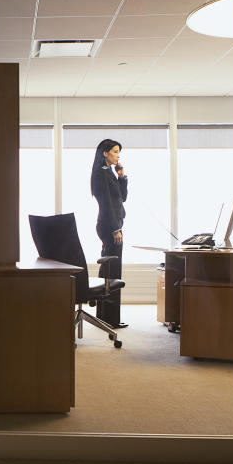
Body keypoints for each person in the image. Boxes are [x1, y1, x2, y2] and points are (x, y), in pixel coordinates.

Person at [90, 138, 128, 329]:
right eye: (114, 151)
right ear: (105, 153)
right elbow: (106, 203)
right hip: (109, 225)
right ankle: (109, 319)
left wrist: (121, 177)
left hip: (112, 223)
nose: (117, 155)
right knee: (113, 270)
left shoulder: (109, 173)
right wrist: (115, 228)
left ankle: (106, 317)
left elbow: (122, 198)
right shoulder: (101, 174)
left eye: (118, 152)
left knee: (110, 268)